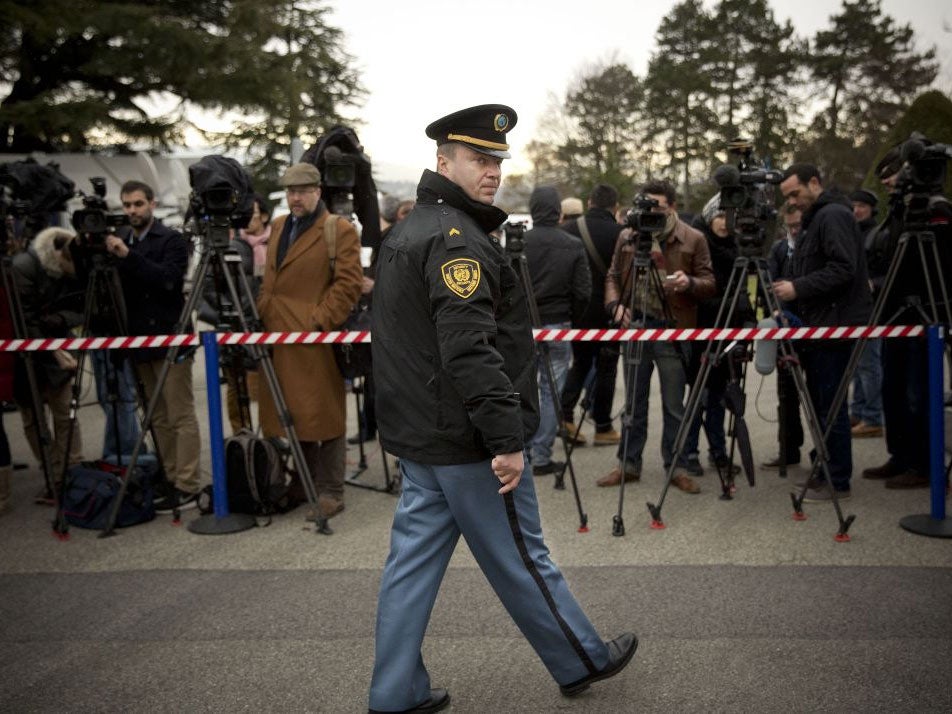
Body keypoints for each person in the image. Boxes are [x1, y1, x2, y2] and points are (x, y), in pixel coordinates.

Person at [368, 104, 636, 713]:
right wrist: (506, 440)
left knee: (409, 571)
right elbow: (470, 351)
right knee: (523, 555)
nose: (490, 171)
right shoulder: (455, 239)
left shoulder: (411, 230)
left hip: (422, 439)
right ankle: (582, 658)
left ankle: (394, 693)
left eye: (495, 160)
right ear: (443, 162)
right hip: (466, 439)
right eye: (477, 159)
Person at [256, 162, 363, 518]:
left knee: (325, 415)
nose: (295, 197)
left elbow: (348, 284)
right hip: (277, 335)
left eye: (301, 191)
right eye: (290, 191)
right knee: (292, 413)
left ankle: (330, 490)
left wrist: (317, 322)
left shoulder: (338, 229)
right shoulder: (279, 225)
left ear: (318, 191)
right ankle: (303, 483)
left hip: (313, 339)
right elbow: (271, 277)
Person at [599, 179, 715, 494]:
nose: (651, 212)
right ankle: (628, 464)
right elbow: (612, 275)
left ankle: (676, 466)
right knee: (634, 404)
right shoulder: (629, 235)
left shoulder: (693, 238)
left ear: (673, 206)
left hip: (672, 327)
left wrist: (688, 283)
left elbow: (709, 282)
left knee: (674, 404)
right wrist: (614, 305)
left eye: (658, 207)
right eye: (646, 205)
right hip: (636, 325)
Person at [775, 164, 872, 502]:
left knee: (830, 406)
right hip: (818, 326)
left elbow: (844, 267)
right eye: (787, 196)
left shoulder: (831, 216)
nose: (793, 201)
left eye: (795, 193)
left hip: (834, 327)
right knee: (819, 404)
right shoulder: (818, 218)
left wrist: (797, 288)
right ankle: (825, 466)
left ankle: (837, 479)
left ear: (813, 183)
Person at [105, 180, 202, 512]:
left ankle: (188, 483)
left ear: (152, 204)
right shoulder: (119, 238)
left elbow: (168, 280)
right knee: (157, 417)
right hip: (137, 342)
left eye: (138, 204)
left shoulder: (171, 240)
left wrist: (128, 256)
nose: (132, 211)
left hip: (170, 339)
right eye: (127, 205)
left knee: (179, 414)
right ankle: (170, 475)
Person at [862, 146, 952, 489]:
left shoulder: (937, 210)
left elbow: (935, 263)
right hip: (895, 314)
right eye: (883, 176)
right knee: (893, 390)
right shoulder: (900, 211)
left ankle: (925, 465)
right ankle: (901, 456)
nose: (886, 181)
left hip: (926, 314)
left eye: (892, 174)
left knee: (919, 393)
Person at [12, 227, 85, 501]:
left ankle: (71, 471)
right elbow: (24, 319)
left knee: (65, 414)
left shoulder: (74, 261)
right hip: (26, 355)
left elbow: (81, 305)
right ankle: (53, 472)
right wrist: (54, 350)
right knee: (34, 420)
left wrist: (61, 320)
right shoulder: (25, 267)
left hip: (56, 345)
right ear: (57, 255)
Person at [523, 185, 591, 476]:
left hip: (521, 326)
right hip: (558, 324)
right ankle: (540, 455)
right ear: (558, 211)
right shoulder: (572, 244)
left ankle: (524, 452)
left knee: (521, 390)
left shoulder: (518, 243)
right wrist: (572, 319)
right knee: (551, 391)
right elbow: (583, 291)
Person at [682, 195, 751, 476]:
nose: (724, 223)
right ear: (710, 217)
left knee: (719, 398)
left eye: (728, 217)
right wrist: (725, 303)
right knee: (697, 398)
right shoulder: (700, 244)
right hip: (701, 330)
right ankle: (689, 453)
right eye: (719, 216)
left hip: (728, 331)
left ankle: (719, 452)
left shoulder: (737, 249)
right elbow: (695, 291)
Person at [559, 183, 624, 447]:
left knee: (580, 364)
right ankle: (603, 426)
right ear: (615, 207)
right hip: (611, 312)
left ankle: (565, 417)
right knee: (607, 369)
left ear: (589, 203)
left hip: (580, 311)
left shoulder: (568, 231)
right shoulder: (621, 234)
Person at [762, 206, 804, 469]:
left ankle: (826, 456)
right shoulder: (779, 249)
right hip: (785, 328)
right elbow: (769, 281)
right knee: (786, 395)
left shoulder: (815, 244)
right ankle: (788, 450)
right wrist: (775, 307)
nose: (794, 230)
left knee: (821, 397)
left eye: (798, 224)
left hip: (816, 327)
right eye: (790, 226)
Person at [847, 188, 884, 438]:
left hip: (873, 307)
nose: (857, 210)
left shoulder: (878, 235)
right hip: (856, 306)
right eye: (854, 205)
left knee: (869, 365)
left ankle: (872, 416)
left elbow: (890, 270)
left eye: (862, 205)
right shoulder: (853, 234)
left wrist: (874, 283)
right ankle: (859, 412)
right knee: (858, 365)